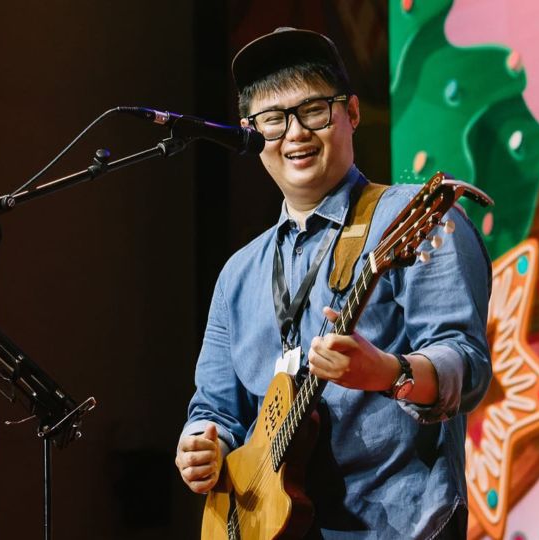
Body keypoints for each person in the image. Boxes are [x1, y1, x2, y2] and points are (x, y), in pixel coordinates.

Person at [175, 27, 492, 539]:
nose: (295, 133)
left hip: (400, 525)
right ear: (250, 134)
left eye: (314, 110)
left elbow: (466, 363)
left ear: (353, 113)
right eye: (273, 120)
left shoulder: (414, 218)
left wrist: (388, 372)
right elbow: (215, 409)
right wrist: (200, 444)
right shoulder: (238, 275)